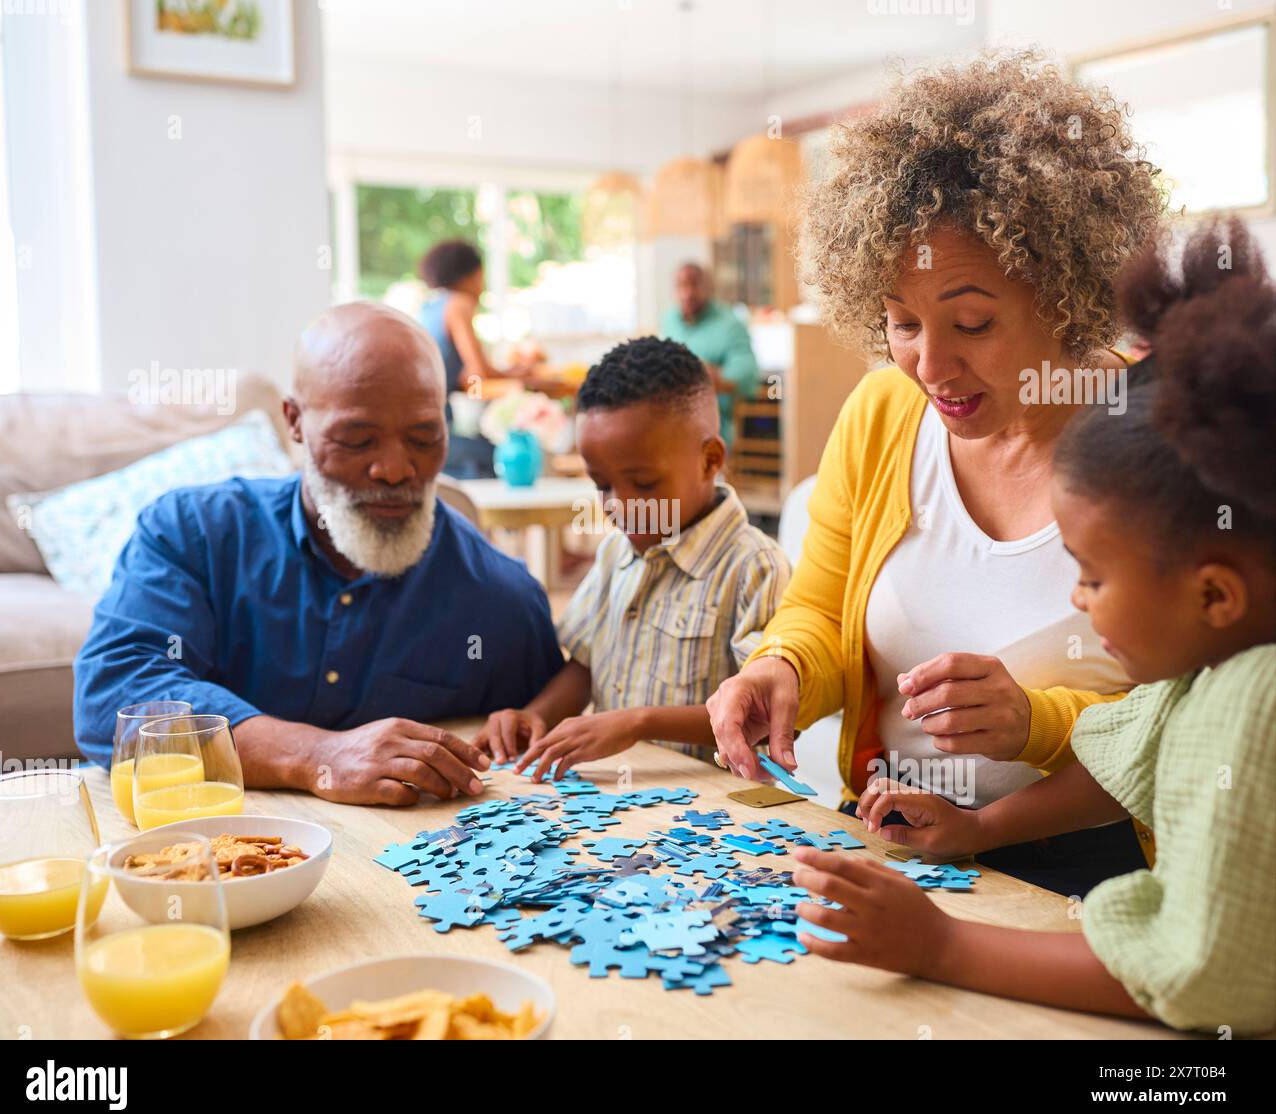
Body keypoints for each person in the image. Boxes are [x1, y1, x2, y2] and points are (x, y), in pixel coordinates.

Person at [792, 218, 1276, 1036]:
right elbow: (1124, 761)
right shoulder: (1212, 668)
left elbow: (1200, 982)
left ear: (1217, 594)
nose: (1078, 600)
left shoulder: (1251, 711)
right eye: (901, 324)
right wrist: (978, 826)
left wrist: (943, 946)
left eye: (1089, 575)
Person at [705, 50, 1166, 897]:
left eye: (973, 322)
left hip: (1088, 879)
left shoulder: (1159, 436)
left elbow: (1178, 723)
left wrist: (1032, 724)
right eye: (900, 322)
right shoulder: (883, 415)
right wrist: (784, 671)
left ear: (1069, 291)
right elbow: (818, 607)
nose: (930, 365)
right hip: (886, 843)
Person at [73, 302, 563, 806]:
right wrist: (314, 755)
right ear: (295, 421)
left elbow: (548, 740)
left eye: (423, 437)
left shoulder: (500, 599)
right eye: (357, 439)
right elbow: (113, 697)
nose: (395, 470)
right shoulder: (190, 534)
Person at [476, 337, 789, 777]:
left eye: (643, 483)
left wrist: (638, 722)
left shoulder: (755, 567)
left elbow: (763, 710)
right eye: (602, 484)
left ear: (711, 459)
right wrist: (535, 714)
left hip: (714, 815)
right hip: (620, 802)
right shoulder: (615, 553)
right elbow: (585, 663)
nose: (618, 505)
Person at [417, 239, 531, 479]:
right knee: (504, 455)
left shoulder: (429, 307)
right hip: (435, 435)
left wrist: (511, 372)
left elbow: (470, 373)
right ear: (472, 275)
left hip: (420, 429)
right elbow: (478, 373)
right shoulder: (459, 304)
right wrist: (519, 379)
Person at [660, 263, 761, 448]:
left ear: (708, 288)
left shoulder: (730, 324)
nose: (688, 293)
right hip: (669, 417)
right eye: (682, 286)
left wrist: (701, 375)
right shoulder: (670, 319)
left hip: (711, 424)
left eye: (695, 285)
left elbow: (748, 377)